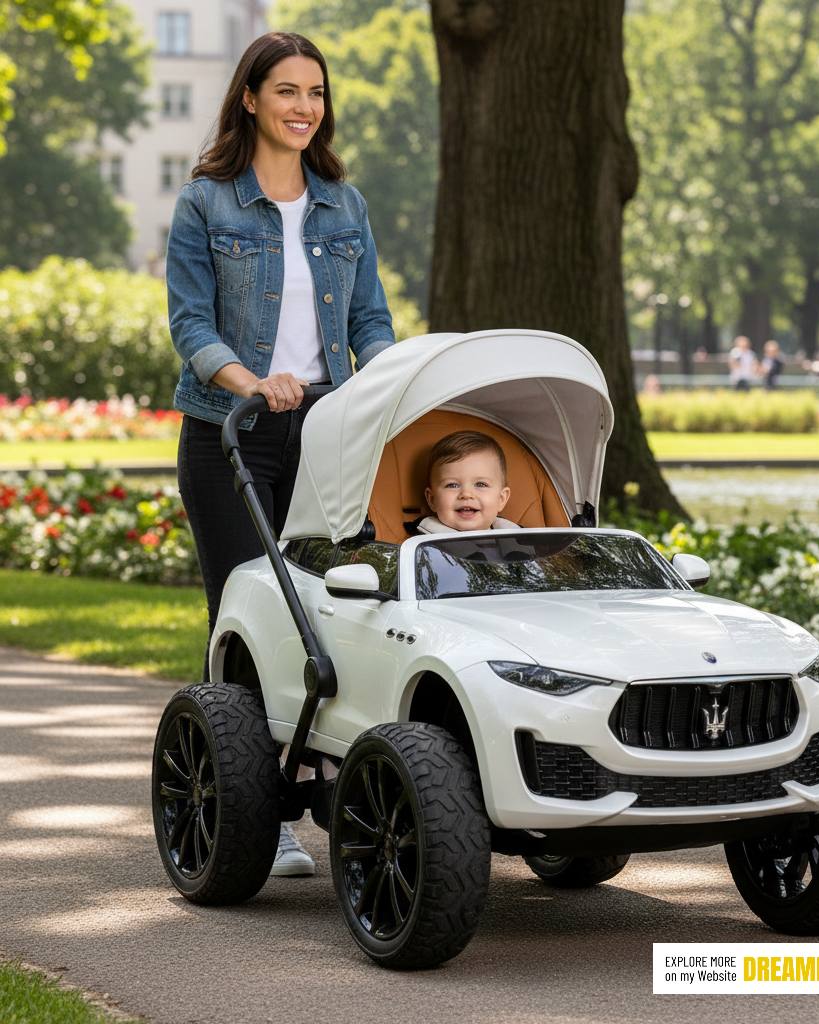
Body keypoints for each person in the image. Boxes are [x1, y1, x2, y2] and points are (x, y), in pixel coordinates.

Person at [165, 32, 395, 878]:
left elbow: (369, 318)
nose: (305, 107)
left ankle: (347, 790)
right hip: (231, 433)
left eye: (317, 93)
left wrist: (387, 386)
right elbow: (191, 323)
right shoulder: (208, 203)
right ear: (252, 98)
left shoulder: (344, 203)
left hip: (328, 435)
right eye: (288, 91)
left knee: (339, 609)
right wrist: (251, 380)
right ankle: (258, 814)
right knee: (248, 620)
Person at [418, 432, 519, 533]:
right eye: (452, 485)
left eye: (480, 484)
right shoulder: (418, 545)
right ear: (432, 499)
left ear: (501, 499)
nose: (466, 494)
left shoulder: (518, 538)